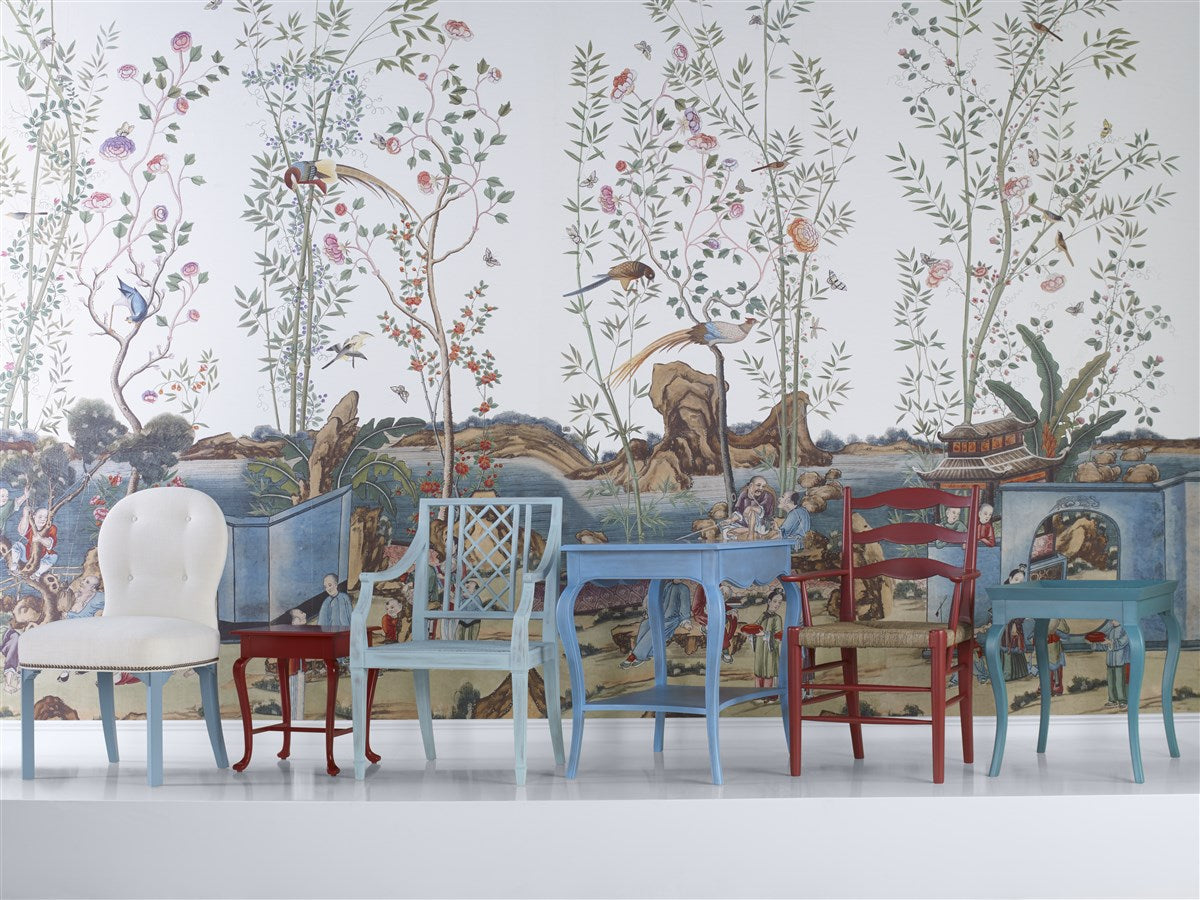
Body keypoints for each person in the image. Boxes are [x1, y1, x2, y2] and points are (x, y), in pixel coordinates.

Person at [621, 580, 693, 669]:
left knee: (654, 630)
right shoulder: (668, 585)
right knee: (644, 625)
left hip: (672, 619)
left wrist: (685, 621)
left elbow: (685, 606)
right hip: (660, 616)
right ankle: (645, 654)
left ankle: (635, 656)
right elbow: (661, 600)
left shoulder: (684, 588)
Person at [753, 590, 784, 690]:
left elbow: (778, 635)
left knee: (768, 671)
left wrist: (765, 634)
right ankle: (758, 693)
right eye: (775, 601)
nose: (777, 604)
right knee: (759, 670)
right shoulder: (763, 615)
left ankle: (768, 694)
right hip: (760, 647)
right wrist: (751, 631)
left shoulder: (777, 618)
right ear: (769, 601)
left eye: (779, 602)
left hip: (770, 649)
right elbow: (755, 626)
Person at [18, 505, 57, 578]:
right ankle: (14, 566)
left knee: (54, 556)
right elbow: (21, 531)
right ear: (34, 517)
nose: (43, 519)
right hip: (27, 555)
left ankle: (37, 574)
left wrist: (40, 538)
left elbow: (50, 544)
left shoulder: (51, 528)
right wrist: (25, 516)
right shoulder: (30, 526)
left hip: (42, 558)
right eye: (40, 517)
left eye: (46, 517)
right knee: (17, 545)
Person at [1099, 620, 1130, 709]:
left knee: (1119, 682)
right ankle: (1112, 700)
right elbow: (1104, 646)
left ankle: (1122, 701)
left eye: (1114, 619)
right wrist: (1095, 643)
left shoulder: (1125, 630)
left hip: (1120, 661)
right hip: (1110, 661)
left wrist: (1109, 642)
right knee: (1111, 682)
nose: (1112, 621)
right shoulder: (1110, 630)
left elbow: (1123, 642)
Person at [1045, 617, 1071, 696]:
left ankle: (1057, 688)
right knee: (1046, 670)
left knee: (1056, 668)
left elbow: (1066, 634)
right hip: (1045, 648)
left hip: (1055, 648)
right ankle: (1048, 688)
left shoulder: (1059, 619)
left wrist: (1055, 631)